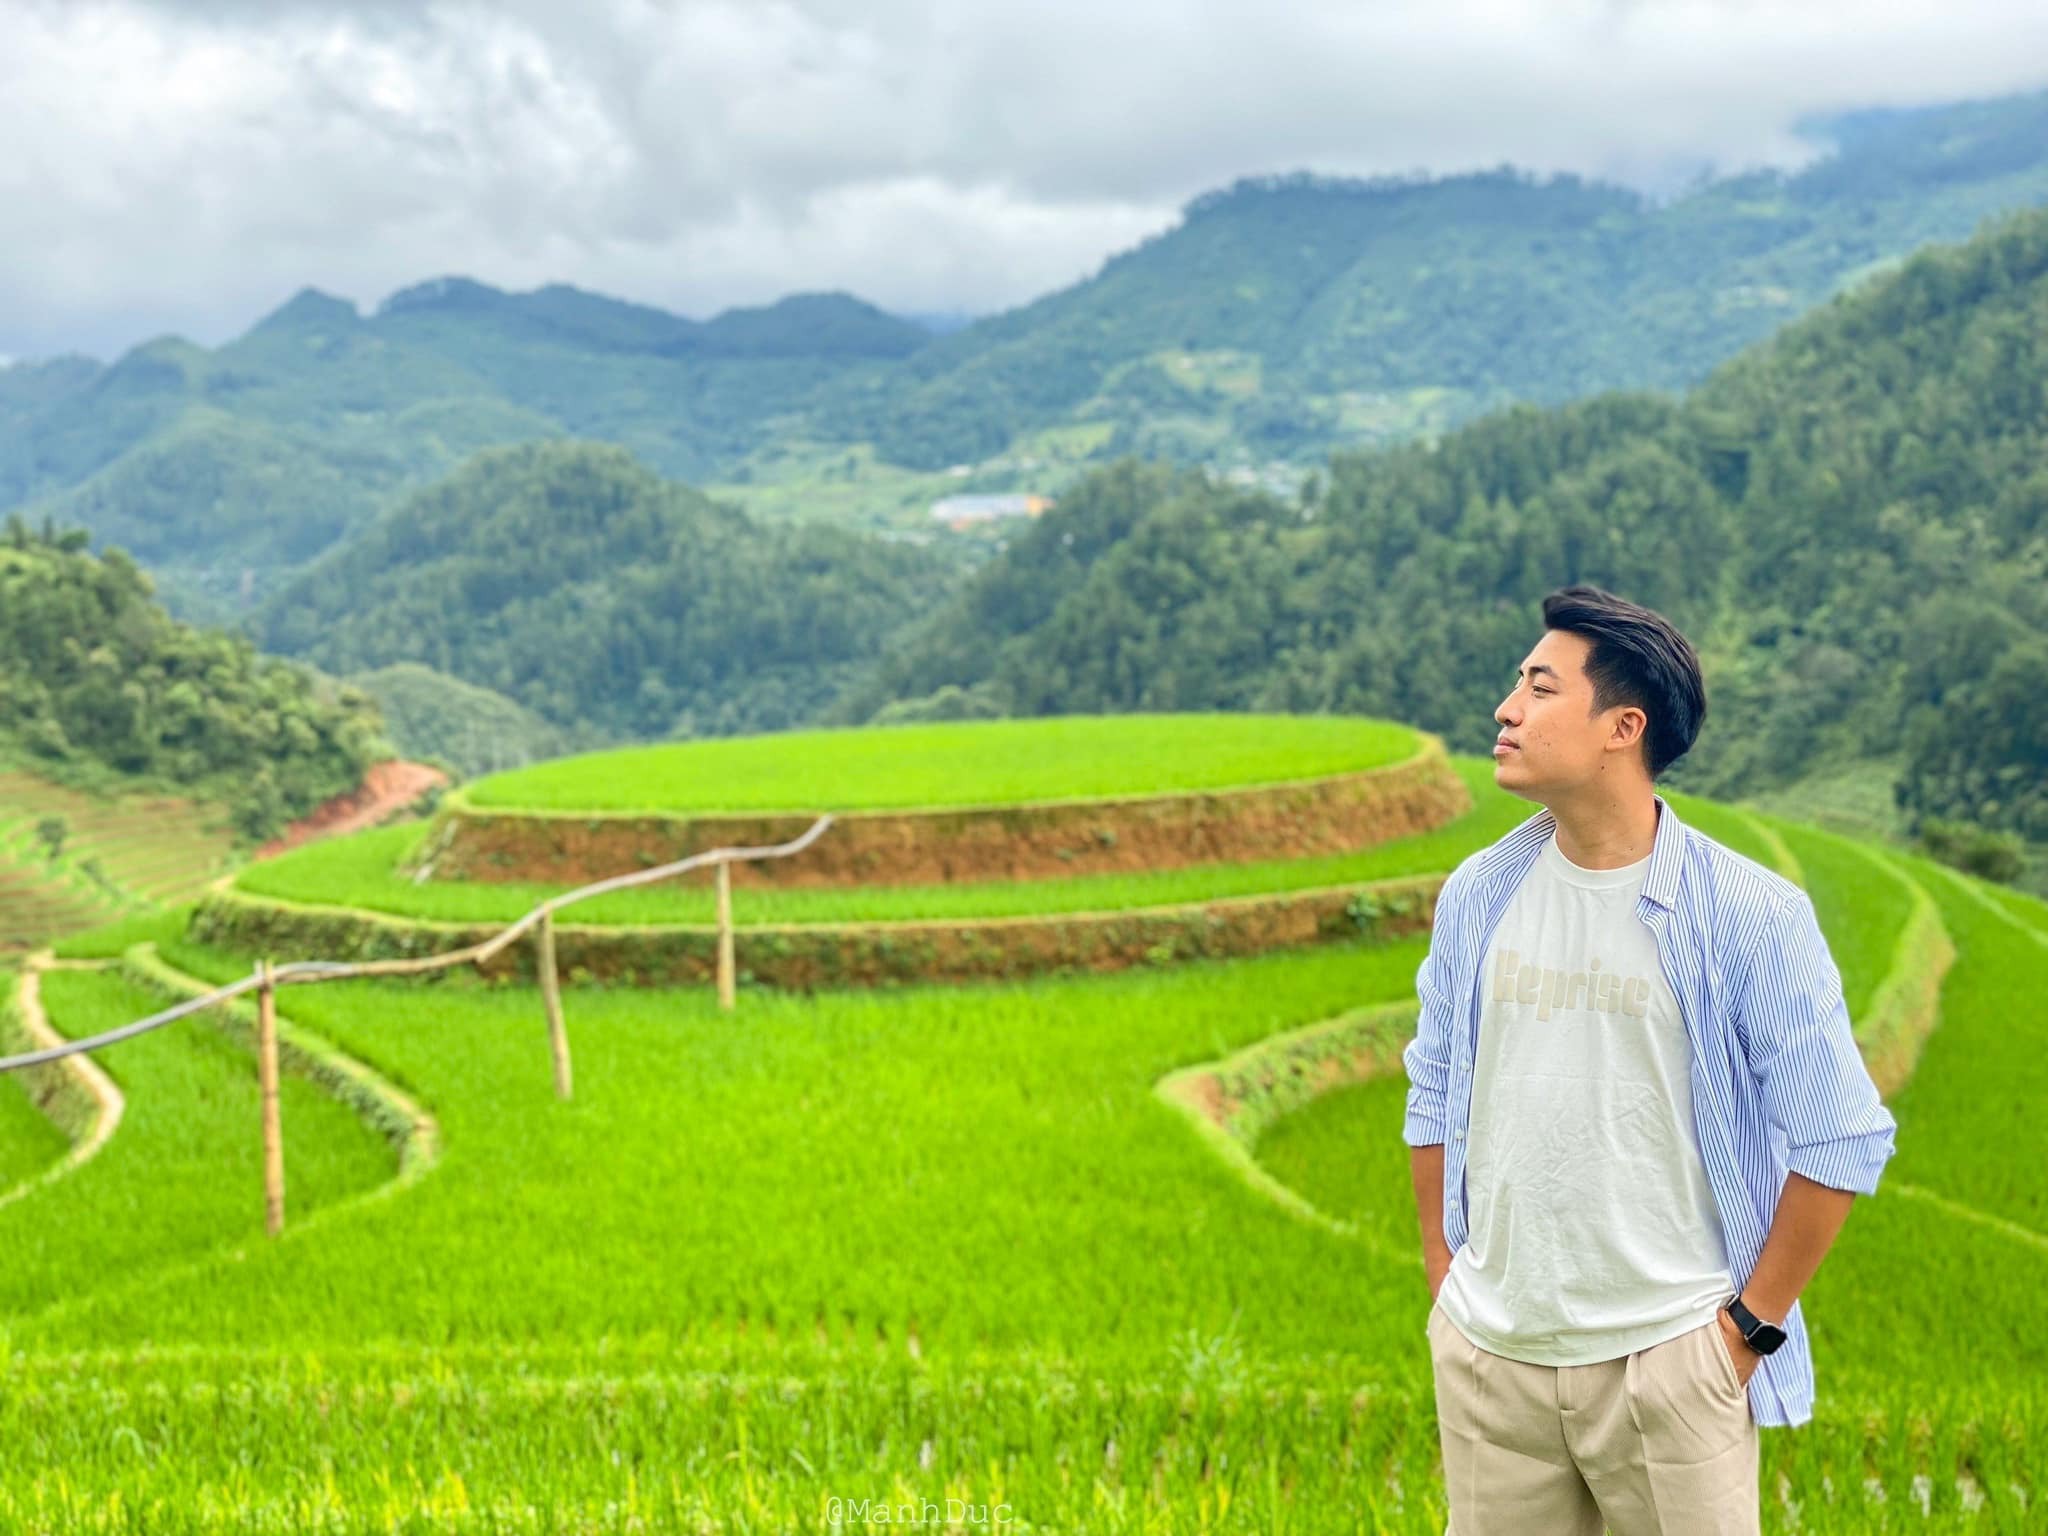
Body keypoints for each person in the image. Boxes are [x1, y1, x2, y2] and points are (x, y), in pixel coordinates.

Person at [1403, 584, 1899, 1536]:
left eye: (1541, 688)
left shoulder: (1752, 917)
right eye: (1518, 683)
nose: (1507, 710)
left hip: (1671, 1363)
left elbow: (1841, 1139)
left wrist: (1745, 1334)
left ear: (1622, 727)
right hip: (1492, 1360)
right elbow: (1434, 1089)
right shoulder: (1479, 893)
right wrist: (1445, 1277)